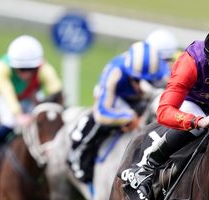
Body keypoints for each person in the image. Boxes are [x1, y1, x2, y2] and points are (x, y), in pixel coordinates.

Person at [121, 21, 209, 200]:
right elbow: (164, 111)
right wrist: (197, 121)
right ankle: (144, 167)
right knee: (199, 129)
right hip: (193, 103)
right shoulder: (191, 62)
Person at [0, 35, 63, 186]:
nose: (25, 74)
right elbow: (7, 93)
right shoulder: (1, 67)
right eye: (21, 69)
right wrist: (18, 115)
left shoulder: (45, 69)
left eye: (31, 70)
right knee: (10, 122)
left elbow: (56, 90)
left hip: (28, 96)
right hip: (0, 96)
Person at [68, 41, 168, 184]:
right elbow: (101, 113)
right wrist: (129, 118)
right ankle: (79, 157)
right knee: (93, 123)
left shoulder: (162, 70)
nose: (143, 86)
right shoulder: (114, 72)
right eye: (138, 80)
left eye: (151, 81)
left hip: (142, 101)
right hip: (116, 99)